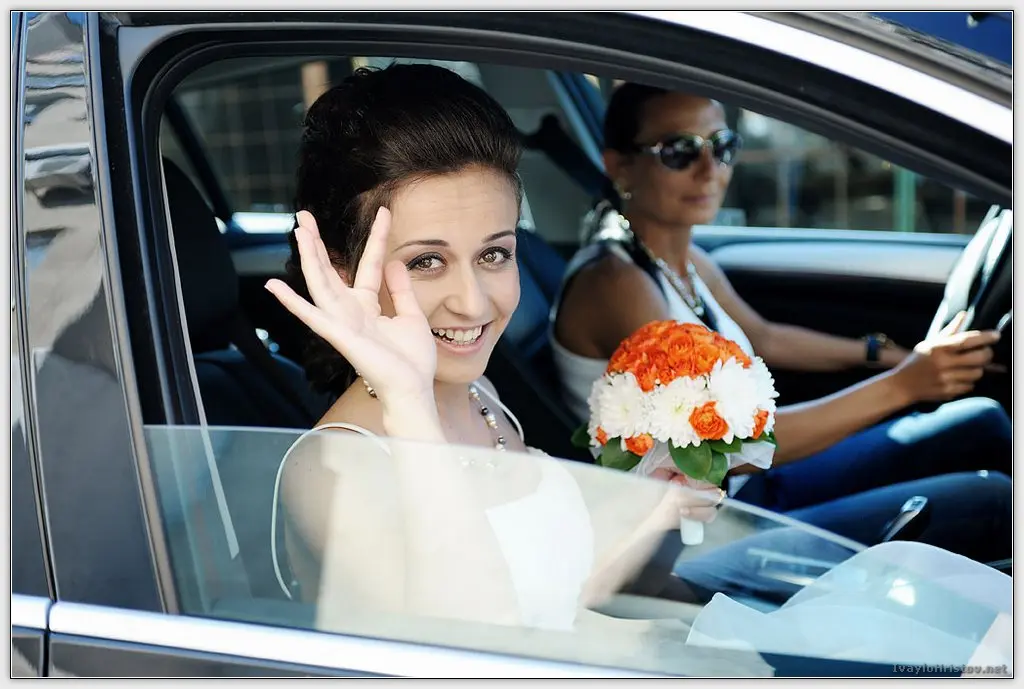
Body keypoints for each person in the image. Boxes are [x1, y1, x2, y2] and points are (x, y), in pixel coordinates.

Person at [265, 64, 1010, 639]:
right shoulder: (334, 471)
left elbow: (555, 591)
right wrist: (406, 402)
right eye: (427, 261)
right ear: (340, 269)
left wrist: (656, 506)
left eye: (494, 254)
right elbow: (483, 648)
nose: (474, 302)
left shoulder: (478, 395)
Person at [551, 82, 1012, 530]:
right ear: (620, 166)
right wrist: (904, 385)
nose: (711, 169)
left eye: (722, 145)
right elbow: (726, 448)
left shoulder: (682, 259)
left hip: (754, 487)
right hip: (711, 530)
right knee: (994, 498)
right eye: (680, 151)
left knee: (982, 422)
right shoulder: (617, 284)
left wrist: (892, 356)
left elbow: (766, 337)